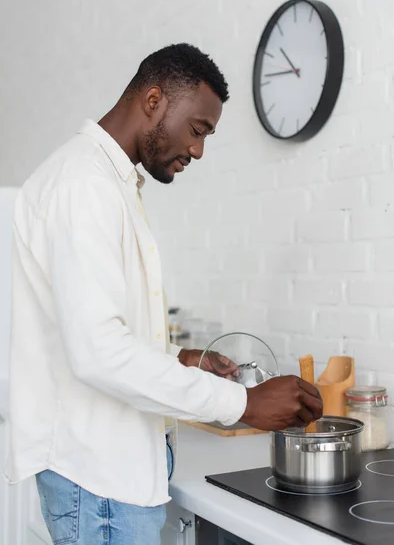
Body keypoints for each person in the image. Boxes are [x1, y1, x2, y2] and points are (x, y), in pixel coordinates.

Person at [5, 43, 322, 545]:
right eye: (198, 130)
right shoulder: (84, 184)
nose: (198, 150)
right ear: (153, 100)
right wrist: (241, 402)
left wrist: (182, 358)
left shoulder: (106, 181)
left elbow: (101, 330)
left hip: (109, 478)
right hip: (98, 483)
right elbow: (98, 354)